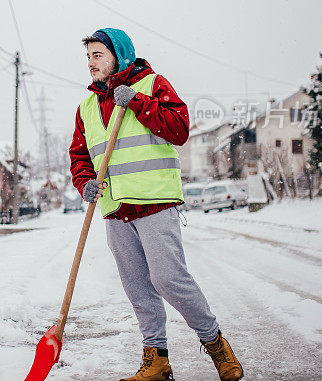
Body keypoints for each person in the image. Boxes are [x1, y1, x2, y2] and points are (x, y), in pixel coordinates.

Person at [69, 28, 243, 381]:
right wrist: (84, 182)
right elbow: (79, 156)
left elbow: (178, 129)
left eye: (98, 54)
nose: (91, 63)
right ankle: (157, 359)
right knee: (137, 287)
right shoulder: (86, 107)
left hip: (154, 201)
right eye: (88, 56)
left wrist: (134, 100)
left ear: (119, 54)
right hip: (116, 210)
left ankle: (215, 344)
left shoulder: (151, 84)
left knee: (168, 279)